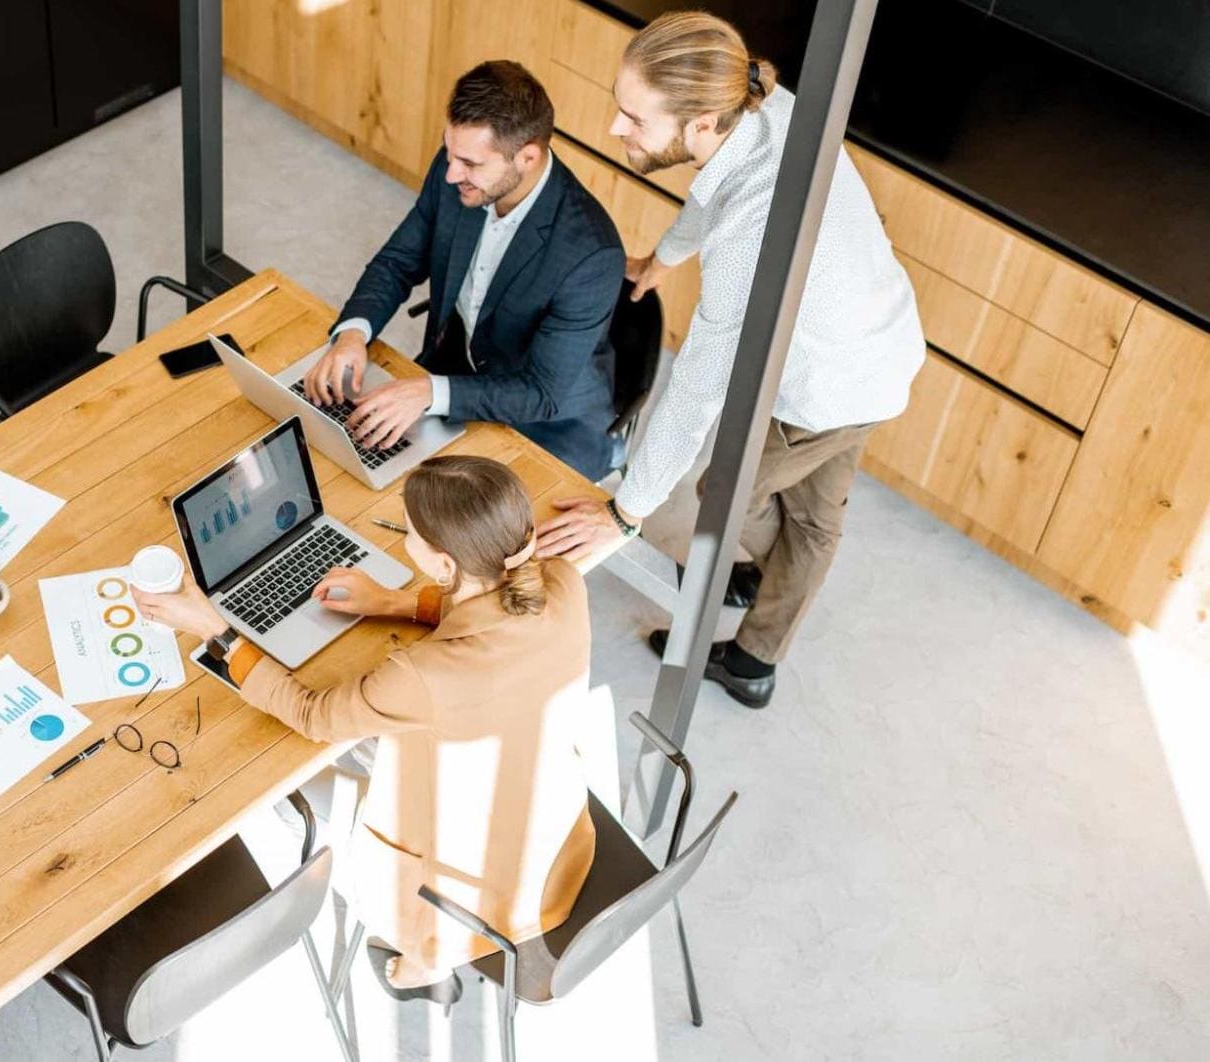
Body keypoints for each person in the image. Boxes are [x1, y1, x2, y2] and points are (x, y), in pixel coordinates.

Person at [534, 12, 925, 709]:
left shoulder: (750, 235)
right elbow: (713, 193)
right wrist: (664, 258)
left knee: (731, 495)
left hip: (832, 382)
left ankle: (753, 645)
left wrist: (624, 513)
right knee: (811, 516)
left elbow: (695, 390)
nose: (616, 128)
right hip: (878, 337)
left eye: (633, 118)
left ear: (701, 122)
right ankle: (756, 625)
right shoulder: (761, 105)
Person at [134, 455, 594, 1001]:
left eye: (412, 534)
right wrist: (391, 602)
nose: (407, 541)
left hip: (467, 897)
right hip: (557, 837)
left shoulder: (420, 676)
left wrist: (215, 627)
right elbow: (495, 608)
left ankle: (425, 967)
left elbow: (312, 715)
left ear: (443, 565)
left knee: (278, 789)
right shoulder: (562, 581)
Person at [306, 60, 628, 481]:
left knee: (472, 527)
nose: (451, 172)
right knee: (351, 461)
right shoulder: (457, 169)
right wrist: (353, 334)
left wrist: (429, 393)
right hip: (458, 365)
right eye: (450, 152)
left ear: (527, 157)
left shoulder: (590, 252)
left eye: (471, 164)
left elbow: (541, 393)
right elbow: (398, 261)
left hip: (548, 423)